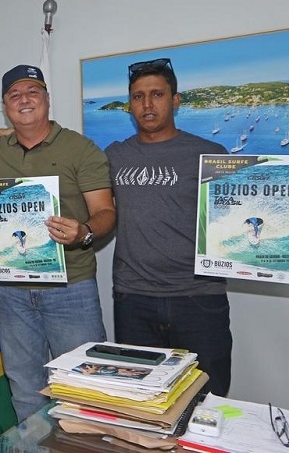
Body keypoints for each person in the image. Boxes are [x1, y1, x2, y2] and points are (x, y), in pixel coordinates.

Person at [0, 64, 116, 422]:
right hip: (12, 290)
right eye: (14, 95)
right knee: (25, 388)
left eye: (32, 92)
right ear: (4, 106)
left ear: (47, 99)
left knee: (84, 388)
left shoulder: (80, 148)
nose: (24, 100)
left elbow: (106, 212)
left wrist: (83, 232)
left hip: (71, 289)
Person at [105, 57, 232, 396]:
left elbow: (241, 218)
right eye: (138, 96)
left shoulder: (209, 154)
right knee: (141, 402)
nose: (147, 104)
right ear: (130, 105)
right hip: (134, 300)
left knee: (206, 399)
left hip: (198, 299)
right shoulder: (114, 156)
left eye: (157, 94)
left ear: (175, 100)